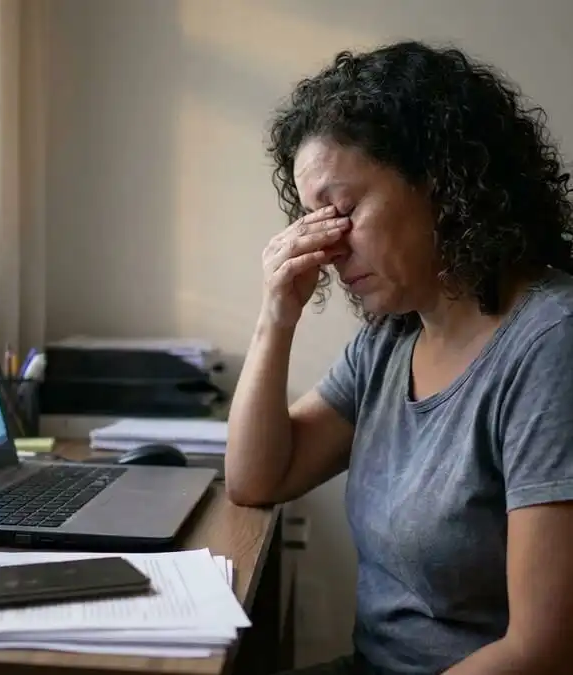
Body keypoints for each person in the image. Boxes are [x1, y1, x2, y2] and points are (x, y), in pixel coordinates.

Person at [225, 40, 573, 675]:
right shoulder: (393, 337)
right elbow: (257, 479)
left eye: (346, 210)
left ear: (442, 183)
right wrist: (277, 315)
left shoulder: (551, 344)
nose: (326, 245)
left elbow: (543, 651)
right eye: (312, 219)